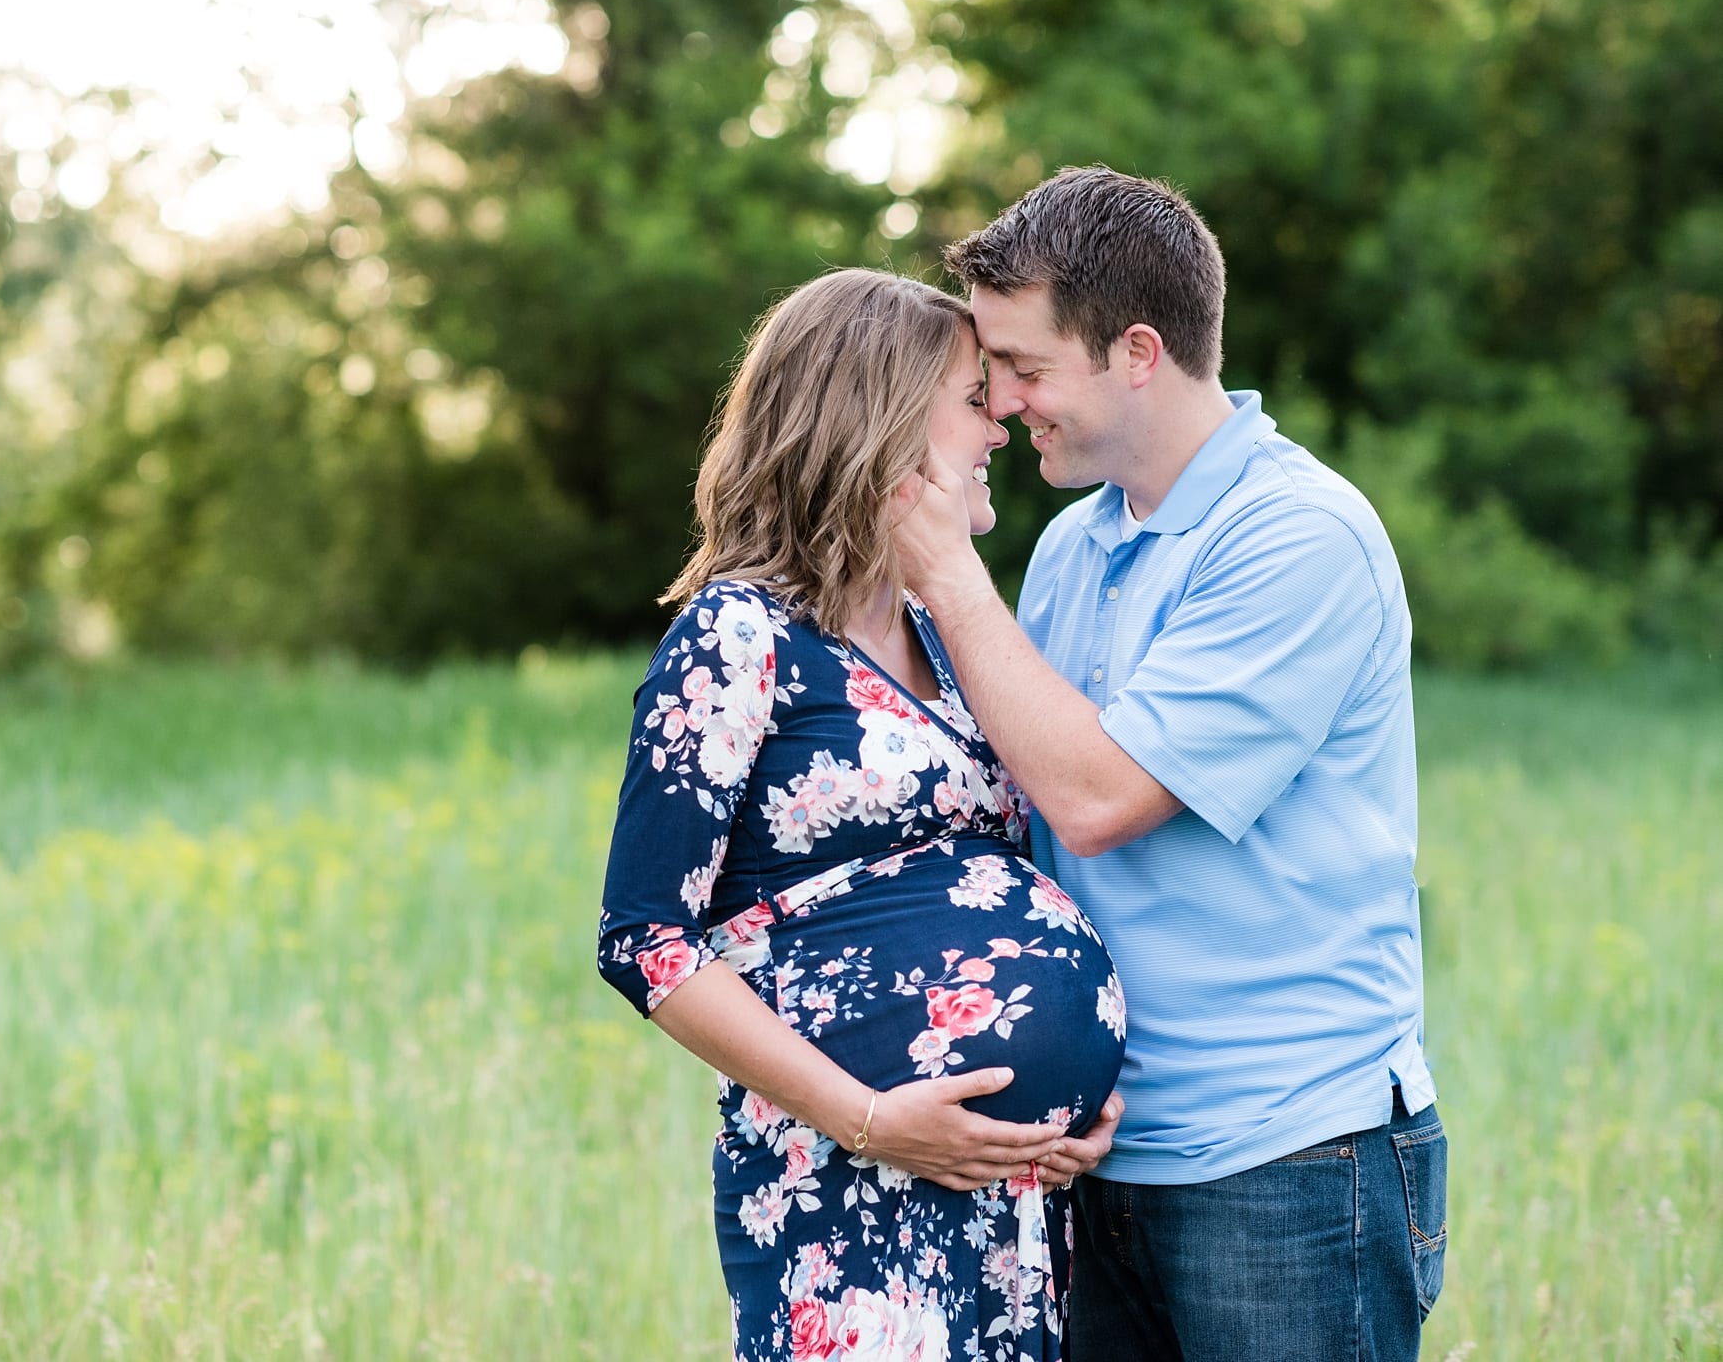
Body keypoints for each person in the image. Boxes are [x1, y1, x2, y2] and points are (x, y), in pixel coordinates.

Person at [891, 166, 1448, 1361]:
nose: (1001, 402)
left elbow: (1095, 800)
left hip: (1286, 1161)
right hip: (1097, 1148)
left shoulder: (1300, 538)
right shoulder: (1074, 548)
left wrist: (941, 568)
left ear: (1138, 351)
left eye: (1028, 369)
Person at [598, 268, 1127, 1361]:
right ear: (880, 420)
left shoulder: (946, 637)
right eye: (975, 397)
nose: (1000, 422)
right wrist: (877, 1120)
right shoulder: (738, 638)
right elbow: (643, 943)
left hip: (1010, 1201)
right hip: (844, 1190)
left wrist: (1069, 1101)